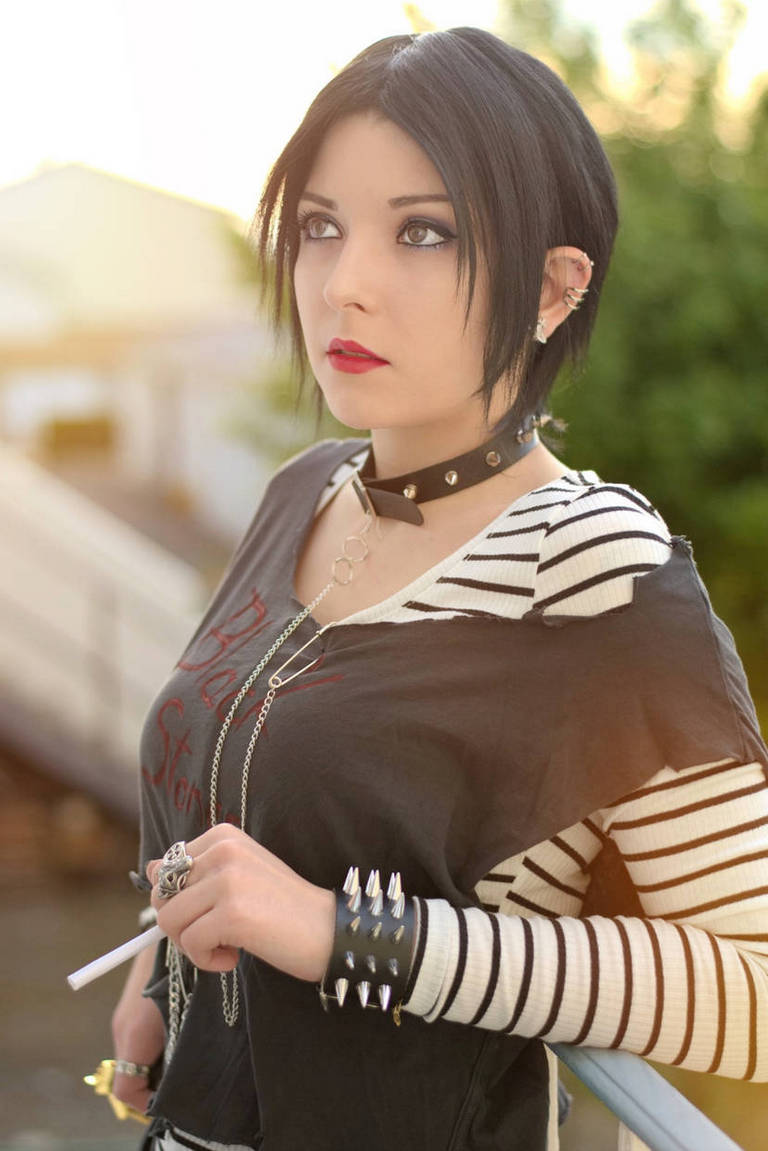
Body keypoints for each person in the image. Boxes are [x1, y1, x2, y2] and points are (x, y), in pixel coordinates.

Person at [108, 27, 768, 1151]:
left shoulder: (594, 566)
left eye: (426, 232)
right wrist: (161, 970)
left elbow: (753, 991)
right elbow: (240, 781)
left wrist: (339, 931)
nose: (345, 283)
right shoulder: (303, 493)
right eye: (322, 226)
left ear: (555, 288)